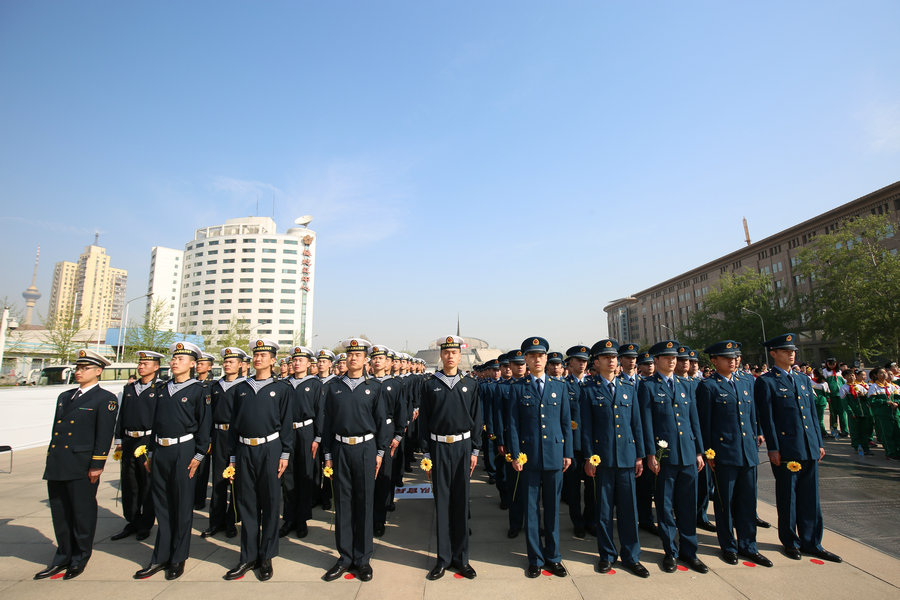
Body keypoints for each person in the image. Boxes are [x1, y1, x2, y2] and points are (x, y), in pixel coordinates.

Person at [754, 334, 841, 562]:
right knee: (788, 497)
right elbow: (768, 418)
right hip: (787, 448)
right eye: (785, 351)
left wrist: (818, 443)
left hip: (809, 446)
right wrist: (773, 447)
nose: (791, 354)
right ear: (773, 354)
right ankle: (791, 541)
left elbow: (812, 414)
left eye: (792, 350)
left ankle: (812, 541)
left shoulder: (803, 379)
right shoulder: (766, 381)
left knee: (811, 498)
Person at [35, 349, 118, 581]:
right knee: (60, 512)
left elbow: (104, 435)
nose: (79, 372)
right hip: (59, 462)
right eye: (78, 368)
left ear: (98, 371)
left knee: (82, 512)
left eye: (85, 368)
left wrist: (97, 464)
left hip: (82, 464)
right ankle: (62, 555)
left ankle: (80, 557)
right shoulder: (65, 396)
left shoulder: (105, 399)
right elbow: (56, 431)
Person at [134, 341, 211, 581]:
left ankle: (178, 557)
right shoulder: (162, 389)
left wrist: (199, 455)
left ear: (192, 364)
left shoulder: (198, 390)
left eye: (181, 359)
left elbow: (205, 426)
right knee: (163, 507)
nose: (175, 362)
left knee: (181, 507)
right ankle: (160, 557)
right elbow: (155, 424)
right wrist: (150, 452)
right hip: (161, 452)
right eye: (174, 358)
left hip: (184, 451)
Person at [697, 341, 771, 567]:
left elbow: (752, 414)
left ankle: (749, 545)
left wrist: (757, 433)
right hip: (724, 452)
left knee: (747, 502)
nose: (732, 361)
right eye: (726, 357)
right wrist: (708, 453)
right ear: (714, 361)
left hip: (747, 452)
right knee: (724, 503)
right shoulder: (708, 386)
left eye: (735, 357)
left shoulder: (747, 381)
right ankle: (728, 545)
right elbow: (704, 424)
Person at [580, 339, 649, 578]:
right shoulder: (588, 390)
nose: (612, 360)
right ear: (596, 362)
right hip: (603, 459)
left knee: (629, 511)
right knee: (604, 511)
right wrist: (589, 457)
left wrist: (639, 455)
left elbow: (636, 424)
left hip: (628, 458)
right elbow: (586, 429)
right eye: (606, 357)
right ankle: (607, 555)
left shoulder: (628, 388)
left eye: (614, 357)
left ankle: (631, 556)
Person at [322, 339, 389, 583]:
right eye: (349, 355)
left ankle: (363, 559)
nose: (353, 359)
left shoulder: (374, 387)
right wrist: (328, 455)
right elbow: (327, 423)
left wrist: (380, 453)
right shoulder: (333, 387)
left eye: (358, 355)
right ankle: (344, 557)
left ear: (365, 360)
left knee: (364, 503)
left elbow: (382, 423)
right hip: (340, 448)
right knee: (343, 503)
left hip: (365, 449)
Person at [224, 339, 291, 581]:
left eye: (264, 355)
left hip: (270, 449)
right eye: (256, 355)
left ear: (273, 360)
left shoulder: (282, 388)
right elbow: (233, 426)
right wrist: (232, 456)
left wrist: (285, 453)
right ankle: (248, 555)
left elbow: (286, 424)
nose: (258, 358)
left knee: (270, 503)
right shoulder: (241, 389)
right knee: (246, 503)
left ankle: (266, 556)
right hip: (244, 450)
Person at [639, 340, 708, 574]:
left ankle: (690, 552)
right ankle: (671, 551)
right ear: (655, 360)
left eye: (674, 358)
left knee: (688, 506)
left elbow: (694, 420)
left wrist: (699, 450)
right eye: (666, 357)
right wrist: (651, 453)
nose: (672, 361)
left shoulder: (686, 385)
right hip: (664, 454)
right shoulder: (647, 386)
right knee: (666, 507)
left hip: (688, 453)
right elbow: (646, 423)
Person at [416, 336, 482, 580]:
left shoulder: (471, 384)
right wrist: (425, 453)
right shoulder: (430, 384)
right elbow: (423, 421)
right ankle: (443, 559)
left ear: (460, 355)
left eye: (454, 352)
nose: (450, 356)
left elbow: (477, 419)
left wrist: (475, 450)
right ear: (441, 356)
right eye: (446, 352)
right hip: (438, 448)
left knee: (461, 502)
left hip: (463, 447)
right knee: (442, 504)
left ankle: (462, 559)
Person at [508, 337, 573, 578]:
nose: (537, 360)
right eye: (532, 356)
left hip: (555, 455)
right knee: (532, 510)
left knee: (553, 510)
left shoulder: (560, 386)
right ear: (525, 359)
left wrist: (567, 453)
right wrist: (516, 455)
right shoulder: (518, 388)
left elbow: (566, 423)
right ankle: (535, 558)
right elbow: (512, 425)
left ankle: (554, 557)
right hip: (529, 457)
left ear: (547, 358)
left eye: (541, 355)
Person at [111, 350, 162, 542]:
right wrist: (119, 441)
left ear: (156, 367)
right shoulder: (130, 388)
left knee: (147, 483)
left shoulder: (160, 389)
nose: (141, 367)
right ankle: (132, 520)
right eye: (140, 364)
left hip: (147, 440)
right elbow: (122, 416)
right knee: (130, 483)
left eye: (146, 364)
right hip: (129, 439)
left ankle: (145, 523)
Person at [201, 346, 247, 540]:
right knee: (219, 479)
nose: (228, 365)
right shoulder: (215, 386)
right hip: (218, 436)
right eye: (226, 361)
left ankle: (232, 521)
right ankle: (216, 521)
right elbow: (208, 416)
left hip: (236, 437)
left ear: (240, 365)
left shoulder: (244, 386)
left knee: (236, 481)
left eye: (232, 362)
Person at [280, 345, 324, 539]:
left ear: (308, 363)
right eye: (294, 360)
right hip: (287, 431)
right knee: (287, 476)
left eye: (301, 360)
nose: (297, 363)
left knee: (304, 474)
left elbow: (321, 412)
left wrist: (318, 437)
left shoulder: (315, 384)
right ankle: (289, 517)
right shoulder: (284, 384)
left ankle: (302, 519)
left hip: (306, 431)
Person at [372, 346, 407, 537]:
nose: (377, 361)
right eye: (374, 358)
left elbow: (401, 411)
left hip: (386, 435)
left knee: (384, 478)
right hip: (368, 436)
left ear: (388, 362)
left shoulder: (394, 385)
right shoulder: (366, 384)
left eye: (381, 358)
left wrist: (398, 436)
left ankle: (379, 518)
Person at [563, 345, 593, 538]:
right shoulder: (563, 386)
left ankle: (591, 520)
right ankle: (578, 521)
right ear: (570, 363)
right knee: (573, 489)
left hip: (592, 445)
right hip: (573, 445)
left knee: (592, 488)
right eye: (578, 360)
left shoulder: (594, 384)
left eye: (584, 360)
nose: (582, 363)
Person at [193, 352, 215, 510]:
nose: (199, 366)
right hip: (191, 432)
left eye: (202, 364)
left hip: (207, 431)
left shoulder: (213, 386)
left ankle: (199, 498)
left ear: (209, 367)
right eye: (197, 363)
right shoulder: (192, 384)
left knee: (202, 468)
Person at [868, 367, 900, 460]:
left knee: (897, 432)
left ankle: (897, 451)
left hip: (895, 413)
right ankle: (890, 452)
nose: (884, 374)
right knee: (887, 433)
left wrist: (896, 403)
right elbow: (872, 401)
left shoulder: (892, 386)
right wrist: (885, 402)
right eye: (881, 373)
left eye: (885, 372)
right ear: (876, 375)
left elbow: (898, 397)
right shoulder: (874, 387)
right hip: (883, 414)